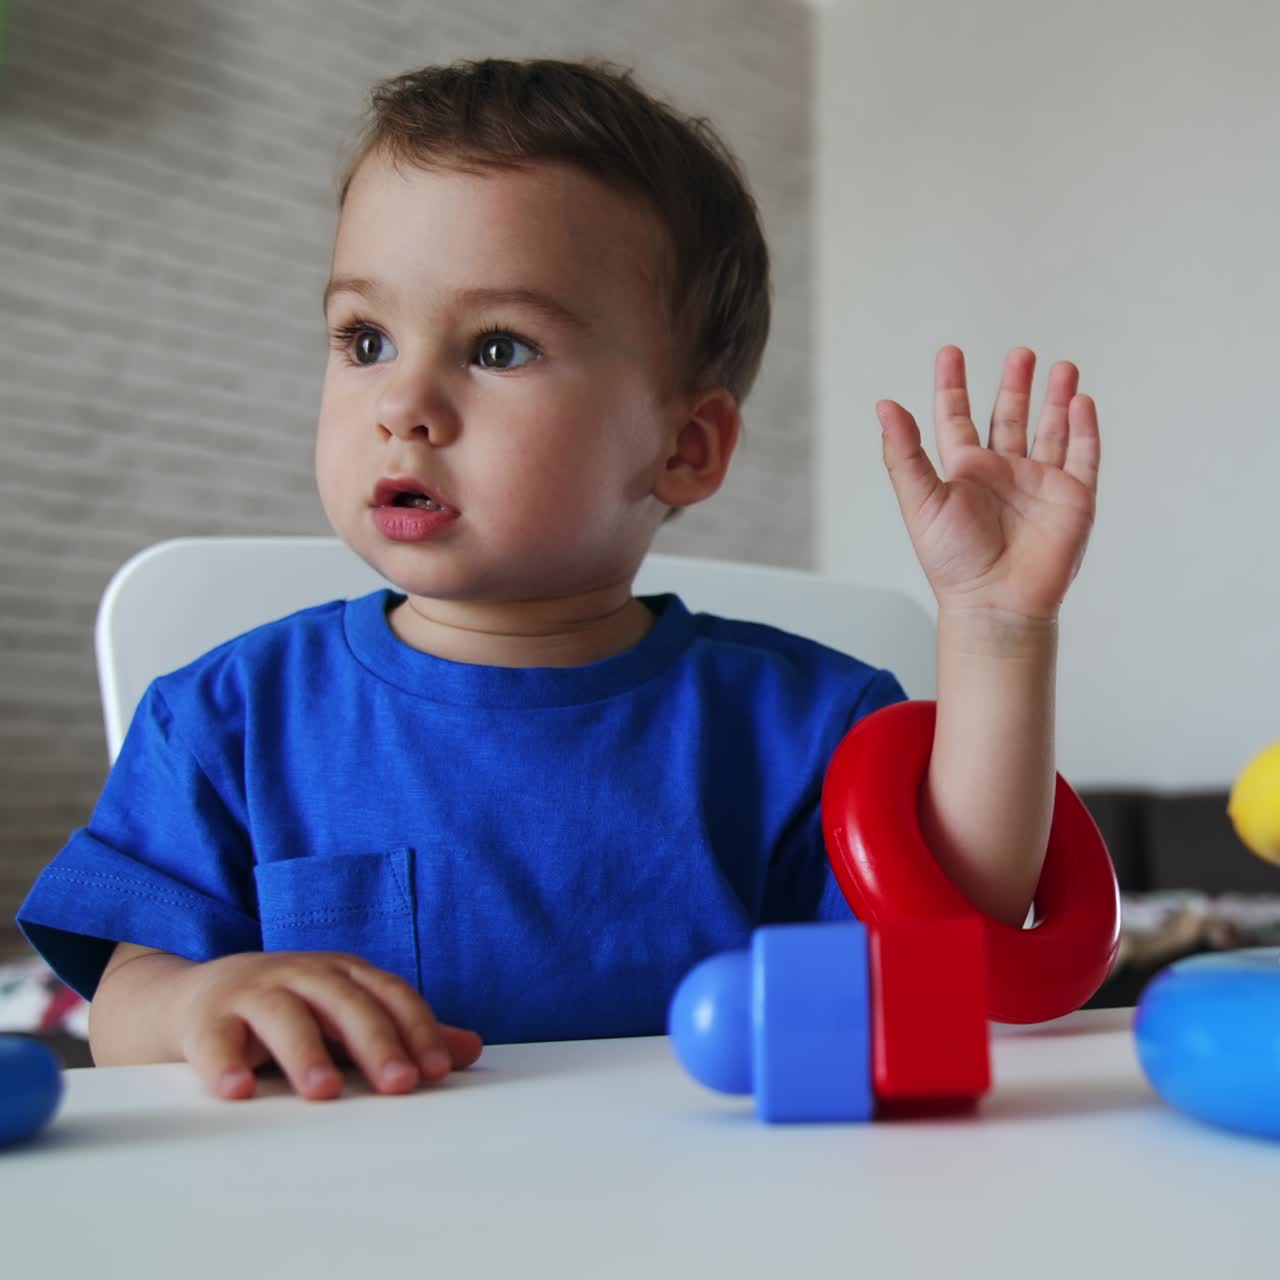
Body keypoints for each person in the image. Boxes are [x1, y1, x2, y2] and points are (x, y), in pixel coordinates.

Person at [16, 57, 1099, 1103]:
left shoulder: (812, 725)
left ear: (684, 447)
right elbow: (123, 1005)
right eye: (365, 338)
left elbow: (957, 952)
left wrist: (995, 625)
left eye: (497, 348)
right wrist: (200, 1000)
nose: (403, 404)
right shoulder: (224, 718)